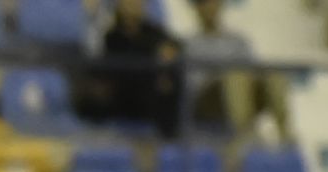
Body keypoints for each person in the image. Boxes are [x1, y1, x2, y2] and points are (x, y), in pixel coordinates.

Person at [184, 0, 290, 141]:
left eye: (214, 3)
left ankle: (284, 133)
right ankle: (243, 134)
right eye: (205, 3)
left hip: (242, 88)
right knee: (236, 76)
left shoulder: (238, 40)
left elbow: (254, 71)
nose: (210, 8)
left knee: (273, 75)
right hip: (206, 101)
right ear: (197, 9)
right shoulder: (188, 44)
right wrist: (222, 77)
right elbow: (192, 85)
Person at [80, 0, 183, 136]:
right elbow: (97, 62)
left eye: (138, 2)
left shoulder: (155, 34)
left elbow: (174, 48)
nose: (133, 5)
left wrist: (168, 57)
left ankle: (166, 141)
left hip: (148, 98)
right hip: (118, 98)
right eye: (128, 2)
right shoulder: (109, 37)